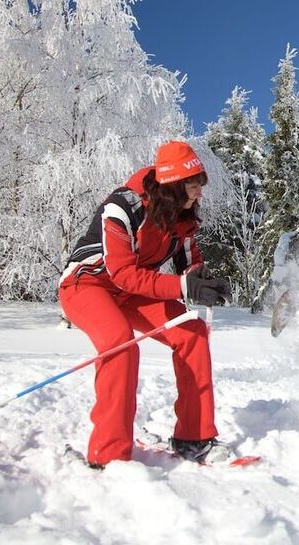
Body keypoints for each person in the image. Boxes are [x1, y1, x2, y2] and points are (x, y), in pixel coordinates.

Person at [59, 141, 231, 468]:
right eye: (193, 186)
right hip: (88, 283)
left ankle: (194, 437)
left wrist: (204, 282)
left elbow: (190, 263)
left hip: (130, 291)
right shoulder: (122, 208)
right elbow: (122, 273)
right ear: (173, 185)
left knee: (191, 332)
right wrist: (182, 286)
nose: (199, 193)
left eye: (200, 185)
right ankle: (108, 456)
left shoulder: (182, 219)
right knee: (120, 342)